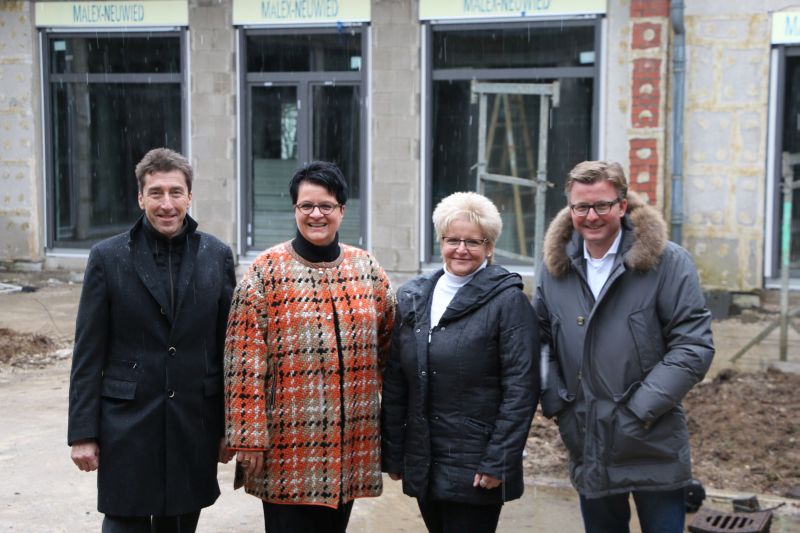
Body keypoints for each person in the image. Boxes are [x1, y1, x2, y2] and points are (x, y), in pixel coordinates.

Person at [533, 160, 715, 533]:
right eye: (581, 206)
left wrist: (638, 411)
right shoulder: (556, 267)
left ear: (621, 204)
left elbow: (693, 345)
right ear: (570, 208)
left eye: (602, 205)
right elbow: (539, 342)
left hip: (652, 438)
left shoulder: (668, 262)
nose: (592, 216)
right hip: (586, 437)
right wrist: (557, 402)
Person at [68, 147, 236, 532]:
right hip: (127, 423)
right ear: (140, 197)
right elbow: (88, 352)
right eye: (156, 192)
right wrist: (82, 432)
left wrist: (231, 426)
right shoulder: (107, 257)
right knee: (122, 524)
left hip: (193, 422)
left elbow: (229, 350)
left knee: (178, 526)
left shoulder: (216, 256)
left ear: (189, 197)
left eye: (175, 192)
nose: (166, 203)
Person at [224, 161, 395, 533]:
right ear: (295, 210)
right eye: (306, 206)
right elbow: (243, 362)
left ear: (342, 211)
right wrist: (247, 436)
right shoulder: (265, 272)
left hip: (350, 445)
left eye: (326, 206)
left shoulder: (366, 270)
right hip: (287, 446)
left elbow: (390, 349)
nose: (316, 214)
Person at [381, 192, 539, 533]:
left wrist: (499, 460)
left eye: (473, 241)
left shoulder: (508, 302)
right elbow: (396, 381)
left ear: (490, 246)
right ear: (441, 241)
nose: (461, 249)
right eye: (453, 240)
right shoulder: (413, 297)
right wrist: (394, 453)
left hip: (477, 464)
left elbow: (521, 389)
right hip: (426, 457)